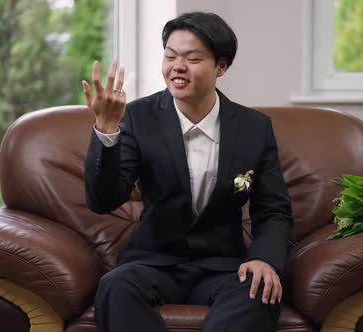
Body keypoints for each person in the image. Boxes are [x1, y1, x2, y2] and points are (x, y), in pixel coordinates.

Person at [83, 11, 293, 332]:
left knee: (260, 291)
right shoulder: (138, 118)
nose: (177, 67)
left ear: (221, 66)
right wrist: (107, 130)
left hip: (223, 267)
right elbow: (103, 199)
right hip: (152, 262)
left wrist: (265, 259)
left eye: (193, 58)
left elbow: (273, 209)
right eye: (170, 56)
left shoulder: (254, 128)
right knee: (115, 286)